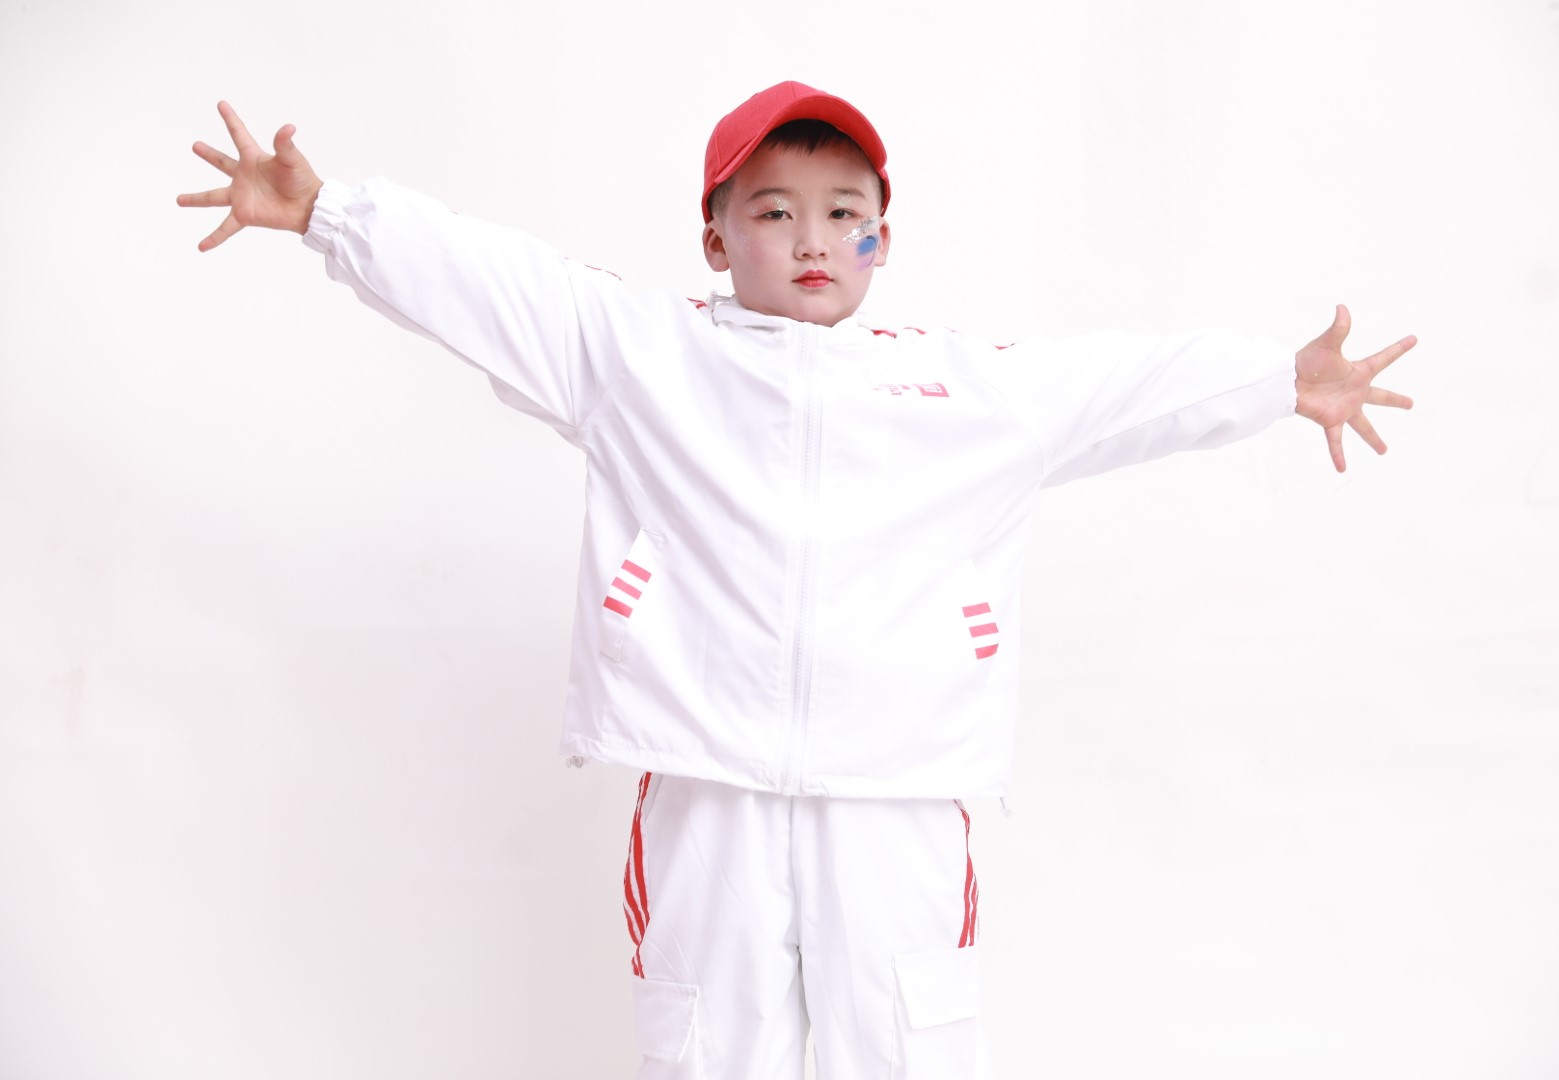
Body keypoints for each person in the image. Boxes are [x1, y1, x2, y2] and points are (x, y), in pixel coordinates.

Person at [178, 81, 1416, 1080]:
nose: (812, 238)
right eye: (772, 211)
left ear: (883, 237)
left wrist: (1275, 380)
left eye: (842, 210)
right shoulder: (641, 358)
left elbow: (1124, 386)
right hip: (706, 779)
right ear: (715, 237)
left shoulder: (965, 393)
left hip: (899, 792)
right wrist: (331, 214)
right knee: (708, 1050)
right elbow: (494, 284)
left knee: (912, 1048)